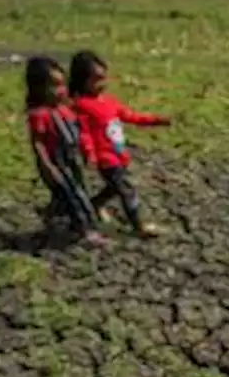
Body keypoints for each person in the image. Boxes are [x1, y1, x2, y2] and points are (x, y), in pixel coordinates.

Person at [67, 50, 172, 239]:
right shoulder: (81, 105)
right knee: (126, 189)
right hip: (106, 159)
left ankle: (92, 206)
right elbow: (84, 133)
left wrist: (155, 120)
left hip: (119, 154)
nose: (102, 83)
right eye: (96, 79)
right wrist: (89, 154)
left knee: (114, 188)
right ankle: (138, 225)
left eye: (103, 78)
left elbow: (130, 116)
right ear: (82, 80)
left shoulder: (108, 102)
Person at [24, 56, 108, 247]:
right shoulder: (40, 115)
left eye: (62, 85)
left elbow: (81, 128)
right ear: (38, 89)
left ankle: (54, 215)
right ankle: (86, 231)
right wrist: (47, 165)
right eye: (54, 86)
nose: (60, 91)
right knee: (73, 196)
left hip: (72, 159)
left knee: (74, 191)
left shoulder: (65, 109)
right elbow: (38, 143)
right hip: (56, 161)